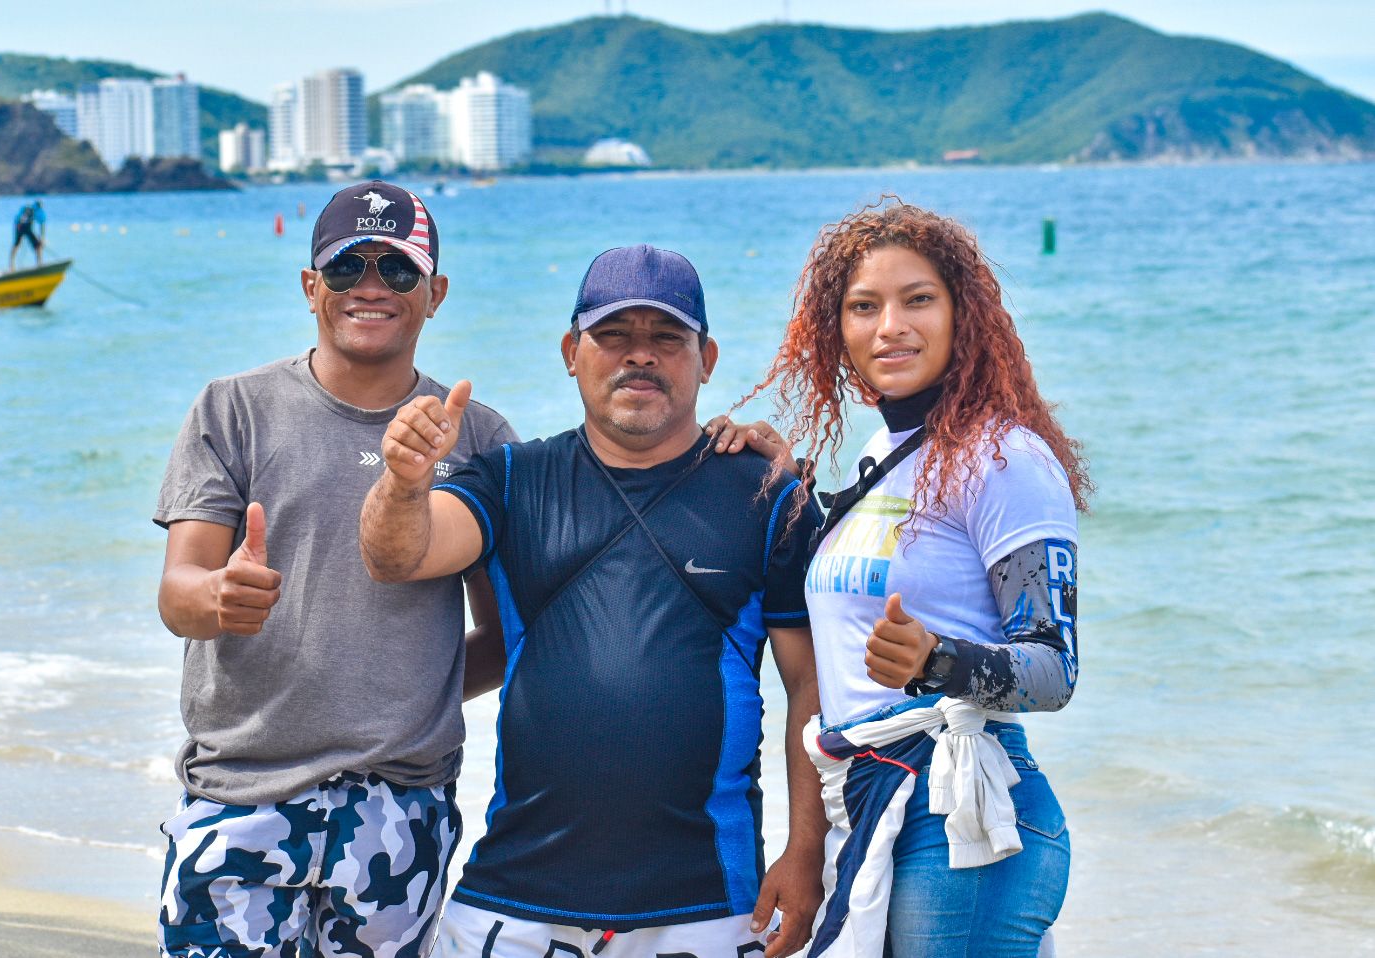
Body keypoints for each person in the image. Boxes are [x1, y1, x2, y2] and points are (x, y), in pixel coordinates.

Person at [359, 245, 827, 958]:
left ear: (706, 359)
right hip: (512, 898)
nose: (639, 356)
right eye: (613, 336)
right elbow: (400, 555)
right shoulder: (513, 478)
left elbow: (813, 688)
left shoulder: (769, 498)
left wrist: (804, 851)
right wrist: (402, 480)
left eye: (666, 338)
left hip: (706, 902)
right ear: (571, 351)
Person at [719, 199, 1093, 958]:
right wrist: (789, 486)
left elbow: (1054, 669)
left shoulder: (1002, 458)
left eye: (917, 299)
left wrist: (937, 661)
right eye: (864, 307)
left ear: (964, 316)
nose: (889, 325)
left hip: (963, 818)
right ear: (838, 331)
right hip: (869, 798)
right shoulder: (880, 453)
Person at [153, 180, 518, 958]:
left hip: (397, 806)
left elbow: (502, 632)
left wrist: (401, 685)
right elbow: (177, 595)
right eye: (348, 266)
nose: (371, 287)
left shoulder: (479, 438)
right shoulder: (232, 409)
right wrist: (219, 596)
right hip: (242, 789)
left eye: (398, 269)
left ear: (435, 293)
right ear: (310, 286)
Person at [9, 199, 45, 270]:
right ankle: (12, 265)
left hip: (28, 228)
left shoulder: (40, 212)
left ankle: (39, 263)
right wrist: (20, 223)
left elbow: (42, 224)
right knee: (17, 244)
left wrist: (41, 238)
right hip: (20, 227)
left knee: (38, 245)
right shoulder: (28, 209)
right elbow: (20, 219)